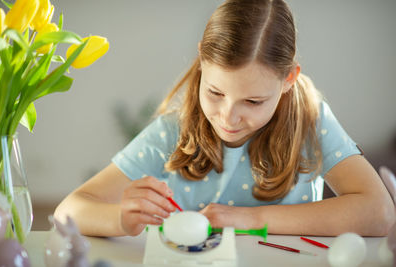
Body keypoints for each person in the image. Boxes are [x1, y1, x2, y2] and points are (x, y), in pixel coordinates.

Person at [55, 0, 395, 237]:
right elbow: (68, 210)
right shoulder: (173, 132)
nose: (228, 117)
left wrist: (248, 219)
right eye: (215, 93)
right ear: (202, 61)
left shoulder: (311, 120)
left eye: (253, 100)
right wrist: (120, 218)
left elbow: (379, 213)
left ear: (289, 79)